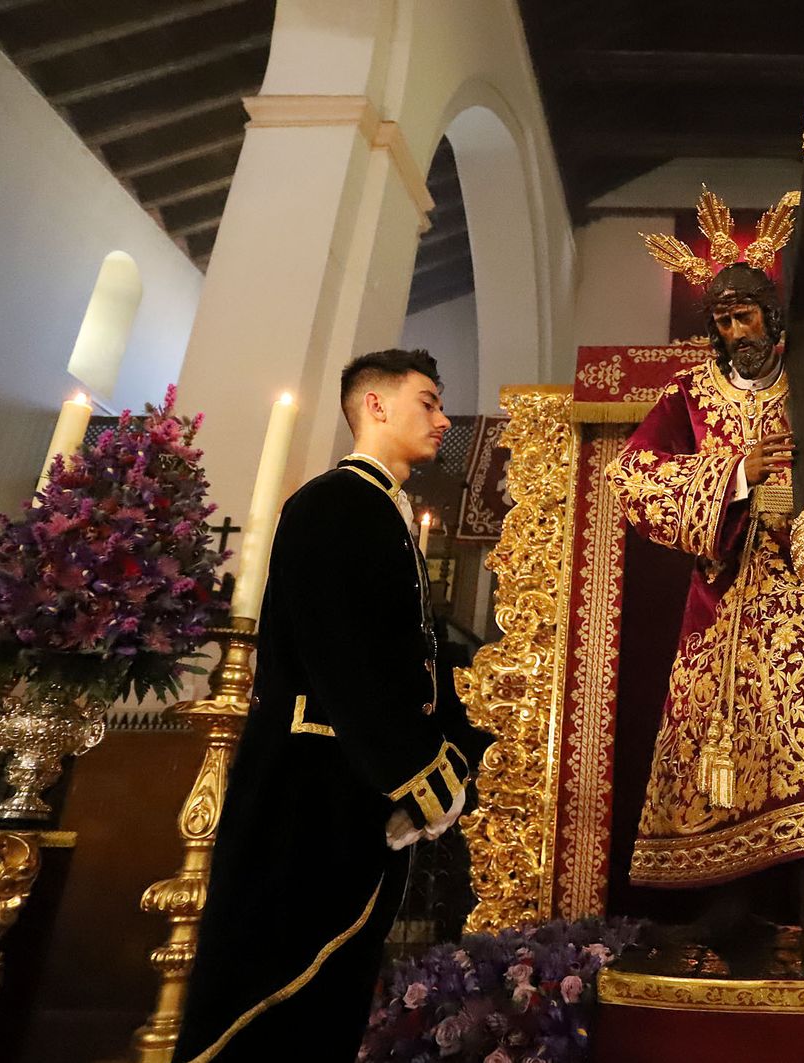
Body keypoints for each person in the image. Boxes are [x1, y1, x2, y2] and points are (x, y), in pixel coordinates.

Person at [611, 196, 804, 971]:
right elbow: (633, 479)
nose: (734, 333)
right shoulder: (689, 399)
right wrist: (735, 474)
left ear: (775, 317)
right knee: (721, 745)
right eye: (721, 320)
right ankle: (725, 907)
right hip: (720, 605)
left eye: (746, 317)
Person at [174, 349, 483, 1063]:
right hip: (308, 796)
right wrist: (420, 773)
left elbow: (410, 666)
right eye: (428, 402)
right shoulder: (334, 503)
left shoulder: (381, 510)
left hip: (351, 792)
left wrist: (452, 745)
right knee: (279, 997)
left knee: (333, 1003)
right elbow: (342, 656)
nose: (441, 420)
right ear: (374, 405)